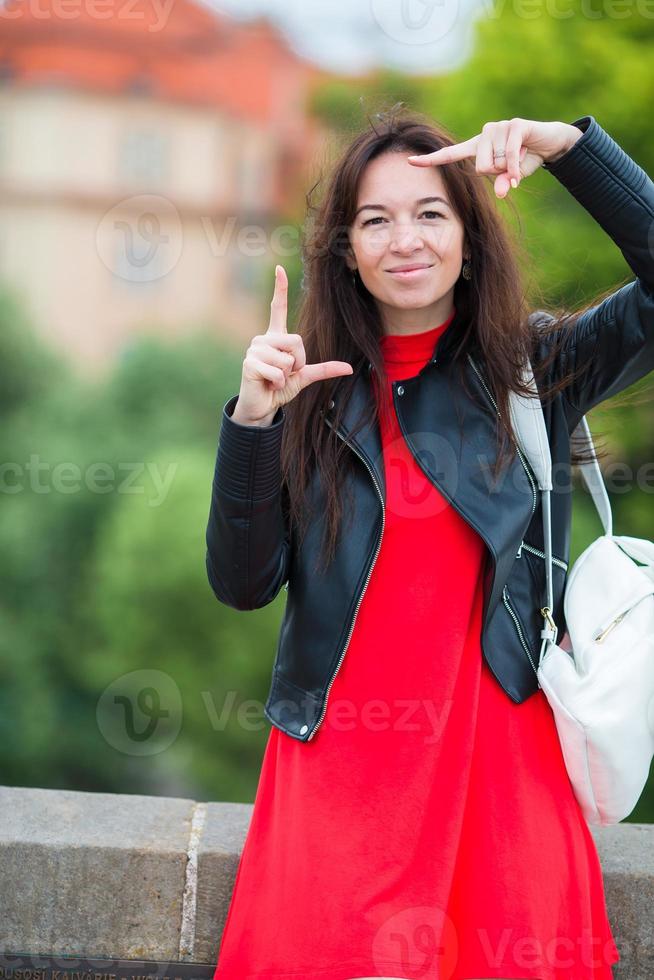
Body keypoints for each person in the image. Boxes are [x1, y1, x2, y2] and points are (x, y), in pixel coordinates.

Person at [205, 108, 654, 979]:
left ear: (468, 238)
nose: (403, 239)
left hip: (505, 778)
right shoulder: (307, 392)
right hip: (340, 787)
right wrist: (254, 421)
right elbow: (241, 583)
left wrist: (571, 149)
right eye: (375, 220)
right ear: (346, 250)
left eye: (430, 214)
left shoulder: (535, 371)